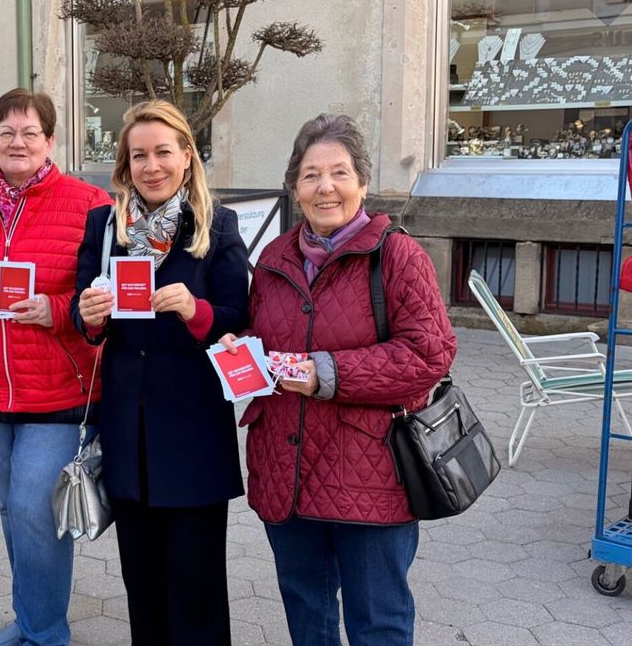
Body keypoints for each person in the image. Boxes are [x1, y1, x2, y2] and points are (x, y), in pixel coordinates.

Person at [219, 113, 457, 646]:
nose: (325, 186)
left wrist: (327, 373)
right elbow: (264, 335)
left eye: (339, 172)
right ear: (295, 187)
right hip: (286, 466)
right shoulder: (275, 258)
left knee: (378, 620)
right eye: (310, 174)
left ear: (362, 183)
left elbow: (430, 353)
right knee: (307, 610)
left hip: (371, 473)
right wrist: (244, 349)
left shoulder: (397, 256)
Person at [0, 88, 111, 646]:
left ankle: (46, 632)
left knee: (34, 507)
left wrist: (55, 309)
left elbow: (101, 292)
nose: (18, 141)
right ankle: (29, 617)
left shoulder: (88, 203)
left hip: (59, 387)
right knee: (12, 509)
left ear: (50, 140)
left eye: (30, 132)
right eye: (7, 132)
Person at [72, 100, 249, 646]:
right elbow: (90, 323)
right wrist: (90, 317)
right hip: (129, 430)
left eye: (163, 152)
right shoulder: (105, 225)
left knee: (195, 584)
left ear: (187, 156)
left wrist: (197, 311)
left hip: (193, 429)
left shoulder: (215, 224)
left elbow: (239, 317)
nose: (152, 166)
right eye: (139, 155)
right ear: (125, 165)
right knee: (142, 582)